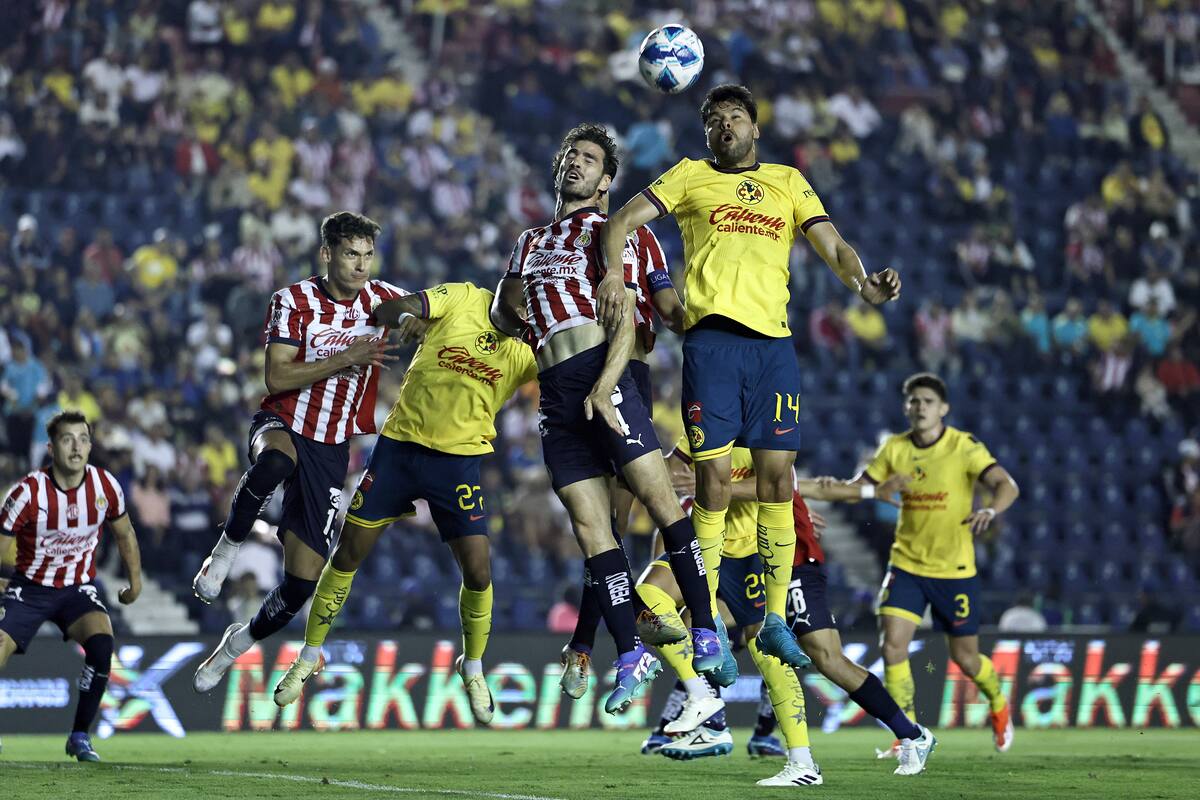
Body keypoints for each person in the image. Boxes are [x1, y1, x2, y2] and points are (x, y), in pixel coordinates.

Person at [596, 84, 901, 668]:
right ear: (706, 132)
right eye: (714, 119)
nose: (725, 125)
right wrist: (614, 275)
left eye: (735, 117)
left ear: (755, 129)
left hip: (774, 348)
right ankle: (707, 623)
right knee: (710, 481)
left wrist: (863, 286)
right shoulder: (688, 176)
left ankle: (778, 624)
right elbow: (620, 222)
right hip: (711, 342)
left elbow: (833, 246)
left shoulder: (787, 182)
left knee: (777, 483)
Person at [492, 123, 724, 714]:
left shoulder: (622, 235)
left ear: (606, 181)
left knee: (650, 507)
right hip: (555, 392)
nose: (575, 163)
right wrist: (514, 313)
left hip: (615, 374)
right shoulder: (530, 241)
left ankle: (699, 629)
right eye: (570, 154)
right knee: (595, 531)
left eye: (590, 159)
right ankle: (624, 651)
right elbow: (504, 309)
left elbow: (659, 310)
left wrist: (706, 324)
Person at [272, 280, 537, 725]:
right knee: (349, 552)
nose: (530, 313)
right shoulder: (463, 298)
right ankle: (310, 653)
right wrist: (407, 318)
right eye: (525, 301)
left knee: (478, 568)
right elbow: (388, 307)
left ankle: (472, 665)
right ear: (505, 288)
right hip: (400, 450)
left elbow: (571, 362)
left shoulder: (527, 351)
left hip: (458, 463)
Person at [190, 211, 419, 693]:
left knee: (300, 586)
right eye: (351, 254)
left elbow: (414, 311)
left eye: (367, 255)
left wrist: (414, 323)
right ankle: (224, 552)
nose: (360, 266)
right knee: (273, 461)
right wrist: (346, 358)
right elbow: (276, 377)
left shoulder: (380, 297)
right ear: (326, 254)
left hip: (332, 447)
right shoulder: (292, 300)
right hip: (283, 422)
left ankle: (237, 642)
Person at [637, 439, 933, 783]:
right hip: (732, 558)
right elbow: (668, 504)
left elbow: (791, 484)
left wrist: (864, 494)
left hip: (786, 564)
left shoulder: (761, 436)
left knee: (823, 657)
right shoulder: (698, 454)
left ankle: (908, 734)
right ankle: (716, 724)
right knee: (693, 624)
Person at [837, 373, 1020, 755]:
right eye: (914, 401)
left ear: (944, 409)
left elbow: (1007, 485)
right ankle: (907, 733)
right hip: (906, 565)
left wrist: (989, 507)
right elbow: (860, 487)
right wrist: (868, 487)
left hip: (954, 571)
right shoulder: (894, 449)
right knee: (892, 647)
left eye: (927, 401)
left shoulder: (964, 447)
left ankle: (999, 703)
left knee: (965, 658)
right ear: (906, 407)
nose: (920, 407)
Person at [0, 411, 143, 761]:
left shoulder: (105, 486)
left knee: (102, 644)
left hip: (77, 587)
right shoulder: (27, 492)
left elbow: (124, 532)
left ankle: (80, 736)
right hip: (29, 586)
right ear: (51, 448)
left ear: (91, 445)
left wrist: (135, 582)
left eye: (83, 439)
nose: (76, 447)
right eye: (67, 439)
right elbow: (1, 542)